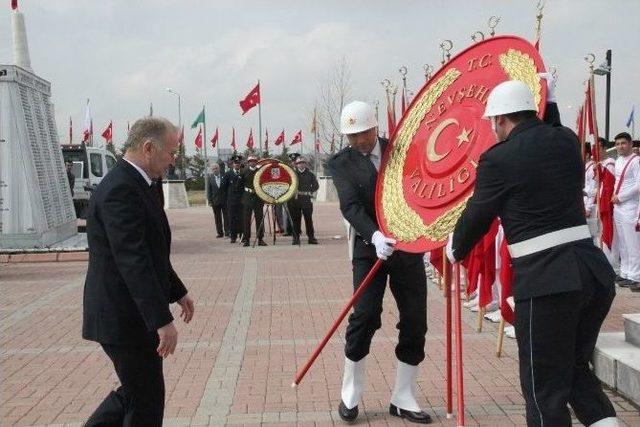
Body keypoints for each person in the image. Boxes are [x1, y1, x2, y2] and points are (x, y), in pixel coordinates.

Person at [447, 77, 618, 427]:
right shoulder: (566, 142)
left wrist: (455, 246)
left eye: (492, 123)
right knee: (573, 370)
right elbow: (550, 131)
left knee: (543, 389)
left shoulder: (498, 159)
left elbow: (479, 213)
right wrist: (550, 99)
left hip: (547, 282)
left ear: (500, 120)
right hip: (592, 273)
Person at [82, 117, 195, 426]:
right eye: (171, 152)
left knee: (135, 393)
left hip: (129, 315)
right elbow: (132, 259)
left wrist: (178, 290)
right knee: (145, 400)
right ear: (149, 148)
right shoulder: (122, 189)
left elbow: (151, 250)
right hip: (123, 316)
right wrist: (161, 320)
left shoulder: (137, 183)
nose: (173, 160)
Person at [329, 101, 431, 424]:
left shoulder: (399, 149)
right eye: (351, 136)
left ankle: (403, 395)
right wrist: (373, 235)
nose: (357, 142)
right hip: (368, 247)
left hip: (406, 247)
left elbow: (420, 188)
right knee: (366, 315)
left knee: (415, 318)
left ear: (375, 128)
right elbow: (350, 206)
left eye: (362, 134)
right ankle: (351, 391)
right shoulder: (341, 163)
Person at [611, 132, 640, 290]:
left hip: (631, 207)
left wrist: (621, 197)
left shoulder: (636, 161)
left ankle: (636, 276)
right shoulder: (618, 160)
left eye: (623, 143)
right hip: (619, 207)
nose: (620, 146)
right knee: (623, 243)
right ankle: (626, 273)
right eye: (617, 144)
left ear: (630, 144)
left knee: (632, 243)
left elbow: (638, 185)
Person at [288, 156, 319, 245]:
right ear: (296, 165)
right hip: (295, 199)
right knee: (296, 220)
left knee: (308, 219)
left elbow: (316, 185)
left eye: (302, 163)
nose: (301, 164)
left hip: (306, 199)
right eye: (299, 163)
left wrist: (310, 191)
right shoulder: (293, 174)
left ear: (305, 164)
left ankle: (311, 237)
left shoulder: (310, 174)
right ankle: (296, 238)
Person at [241, 155, 267, 246]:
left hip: (258, 197)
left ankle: (260, 239)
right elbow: (240, 185)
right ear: (248, 163)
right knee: (246, 219)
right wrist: (242, 198)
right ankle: (246, 239)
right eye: (251, 161)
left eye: (254, 161)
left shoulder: (260, 172)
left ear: (257, 162)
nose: (253, 162)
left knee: (259, 219)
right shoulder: (244, 172)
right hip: (247, 197)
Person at [222, 154, 245, 243]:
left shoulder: (243, 173)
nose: (237, 165)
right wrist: (226, 200)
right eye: (235, 163)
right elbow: (224, 188)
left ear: (240, 163)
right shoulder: (228, 174)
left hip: (241, 200)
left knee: (241, 218)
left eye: (238, 163)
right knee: (232, 219)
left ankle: (242, 235)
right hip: (231, 201)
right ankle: (233, 236)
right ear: (232, 164)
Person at [207, 163, 227, 238]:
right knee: (217, 218)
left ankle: (227, 231)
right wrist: (210, 201)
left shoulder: (224, 176)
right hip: (215, 201)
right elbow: (209, 191)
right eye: (213, 169)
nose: (215, 170)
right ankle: (220, 233)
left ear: (219, 169)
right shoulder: (210, 178)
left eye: (216, 168)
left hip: (224, 201)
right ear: (212, 170)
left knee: (226, 217)